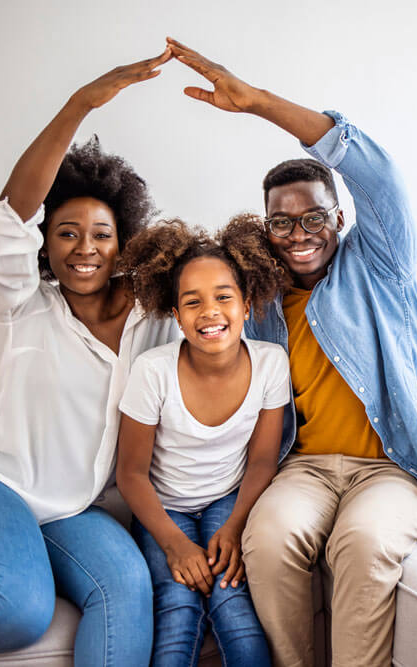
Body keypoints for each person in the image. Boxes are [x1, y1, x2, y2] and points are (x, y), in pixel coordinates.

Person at [0, 50, 178, 666]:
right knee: (16, 612)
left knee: (128, 591)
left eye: (101, 234)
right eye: (67, 232)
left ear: (123, 239)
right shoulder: (22, 303)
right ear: (47, 243)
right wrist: (81, 103)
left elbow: (221, 299)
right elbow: (12, 213)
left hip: (77, 511)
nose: (85, 249)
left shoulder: (154, 319)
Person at [166, 37, 417, 667]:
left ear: (339, 219)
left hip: (388, 466)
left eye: (311, 218)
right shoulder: (259, 300)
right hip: (305, 468)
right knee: (267, 540)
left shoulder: (380, 266)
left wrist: (258, 102)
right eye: (281, 223)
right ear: (266, 230)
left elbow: (379, 175)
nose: (298, 236)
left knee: (365, 545)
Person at [115, 216, 291, 666]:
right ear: (175, 316)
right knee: (178, 608)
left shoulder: (271, 364)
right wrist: (174, 543)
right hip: (163, 509)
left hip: (226, 503)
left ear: (247, 306)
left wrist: (234, 526)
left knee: (234, 607)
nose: (210, 312)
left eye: (223, 297)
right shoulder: (152, 371)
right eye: (192, 302)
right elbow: (131, 474)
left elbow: (262, 461)